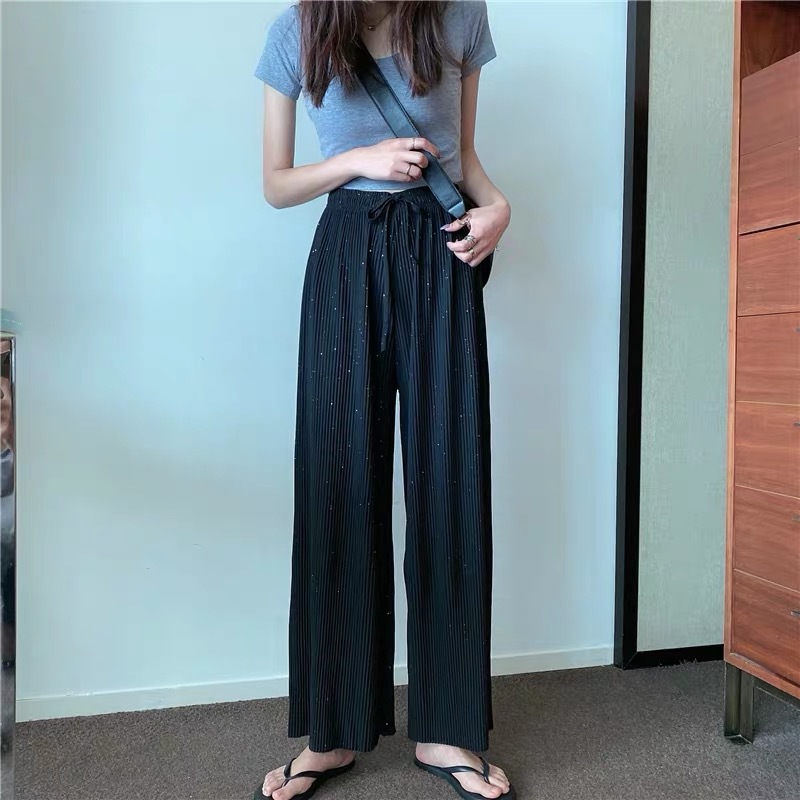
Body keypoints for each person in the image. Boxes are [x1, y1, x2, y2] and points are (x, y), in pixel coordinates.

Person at [253, 2, 512, 798]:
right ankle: (332, 731)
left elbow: (465, 157)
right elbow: (275, 184)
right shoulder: (295, 33)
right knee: (338, 485)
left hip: (439, 254)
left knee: (449, 481)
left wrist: (499, 208)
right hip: (345, 253)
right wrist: (357, 158)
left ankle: (447, 728)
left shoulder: (460, 17)